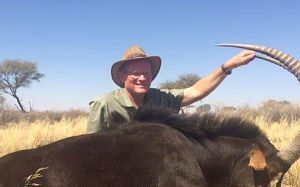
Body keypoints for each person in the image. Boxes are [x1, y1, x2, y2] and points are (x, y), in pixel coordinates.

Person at [87, 45, 255, 133]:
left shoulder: (160, 99)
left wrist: (227, 66)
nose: (143, 78)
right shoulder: (104, 104)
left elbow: (196, 91)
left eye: (147, 73)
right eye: (136, 73)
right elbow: (91, 147)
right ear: (123, 77)